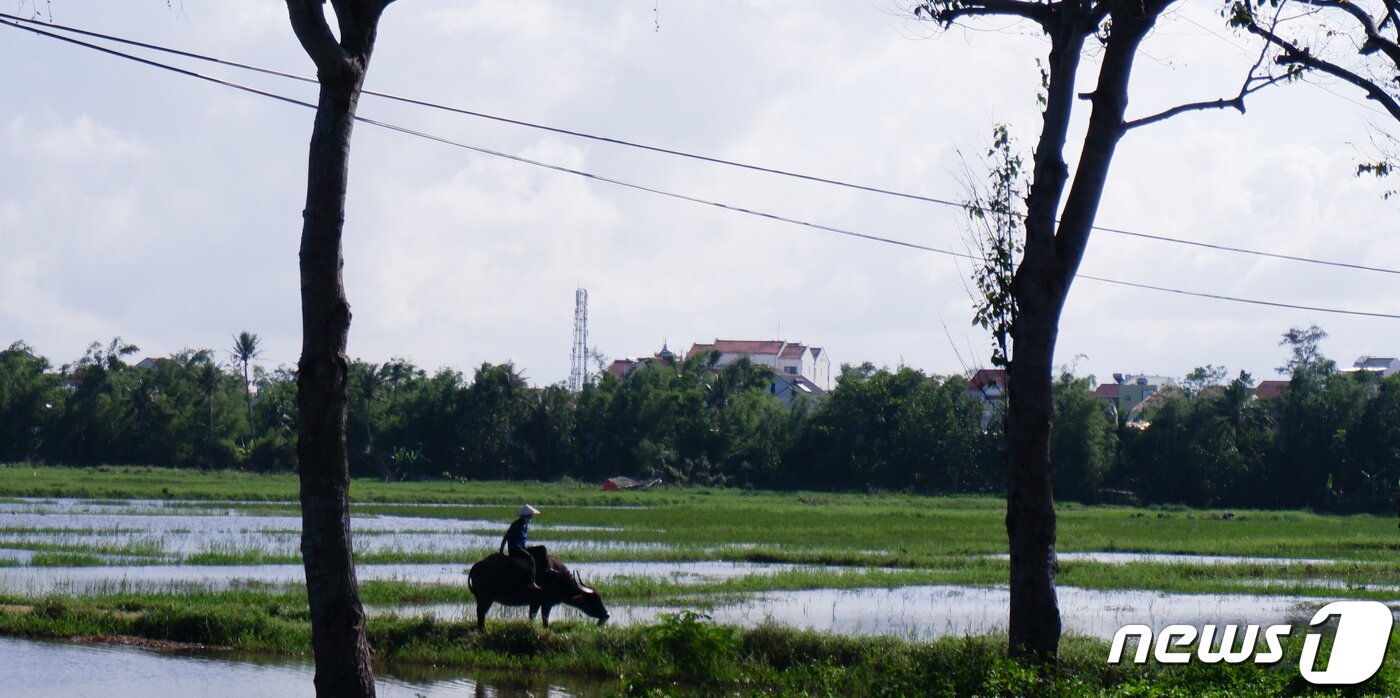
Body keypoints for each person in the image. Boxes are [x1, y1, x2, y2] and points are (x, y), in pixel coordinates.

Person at [500, 504, 542, 592]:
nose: (530, 517)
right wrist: (501, 550)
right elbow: (506, 537)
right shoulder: (516, 525)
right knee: (530, 560)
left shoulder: (525, 525)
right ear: (524, 516)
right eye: (529, 516)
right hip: (515, 548)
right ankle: (532, 582)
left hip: (522, 547)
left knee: (540, 550)